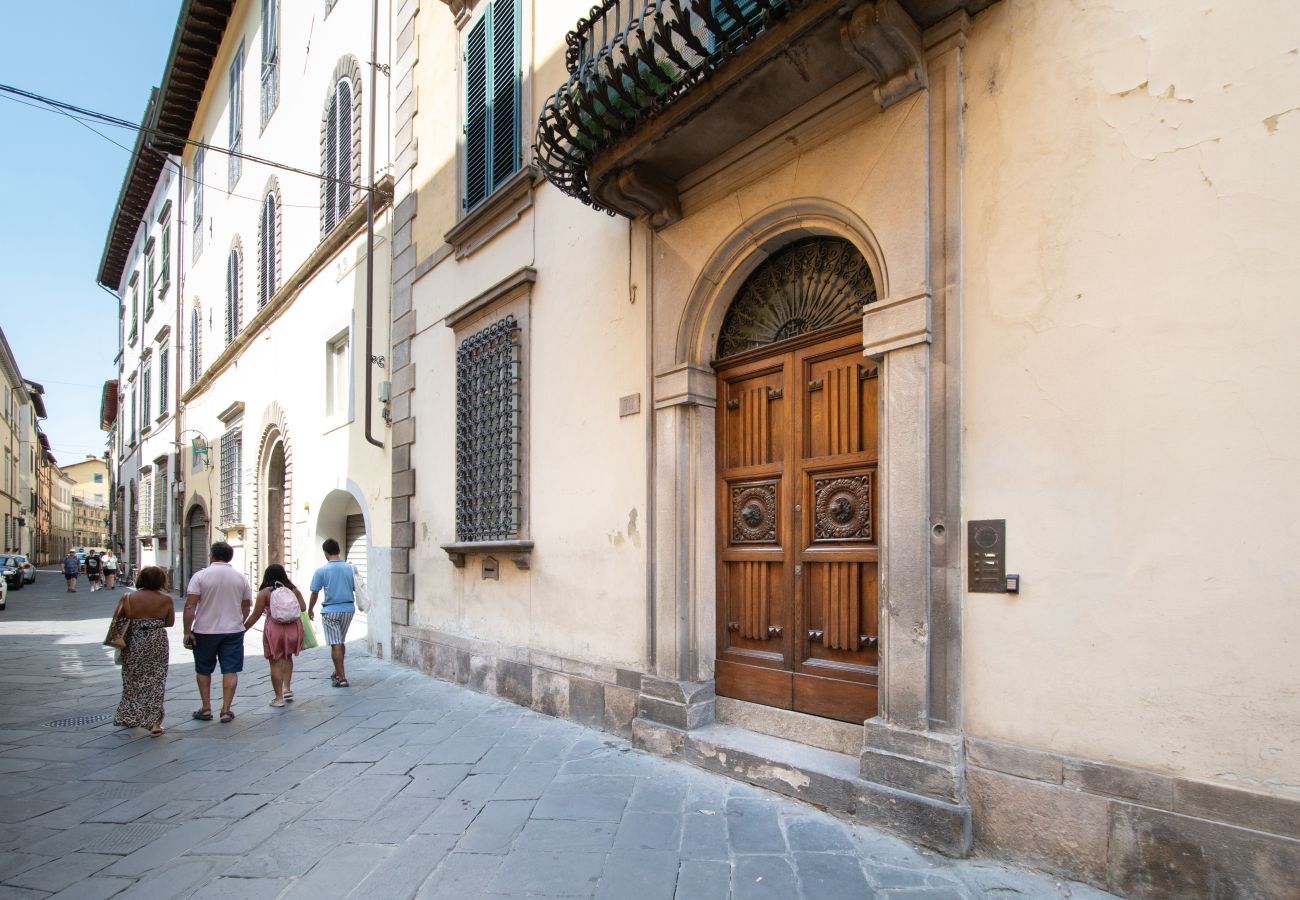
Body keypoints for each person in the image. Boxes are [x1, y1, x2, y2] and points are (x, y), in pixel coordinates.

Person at [183, 541, 252, 723]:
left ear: (212, 555)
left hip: (204, 630)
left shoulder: (200, 576)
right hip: (233, 631)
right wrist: (240, 622)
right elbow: (246, 606)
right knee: (230, 669)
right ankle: (226, 710)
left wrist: (186, 631)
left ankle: (206, 708)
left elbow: (190, 606)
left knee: (203, 669)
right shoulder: (240, 578)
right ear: (230, 557)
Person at [111, 565, 175, 736]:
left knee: (132, 680)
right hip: (157, 641)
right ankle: (154, 724)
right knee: (156, 682)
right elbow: (170, 622)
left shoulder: (128, 597)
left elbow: (118, 621)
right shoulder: (166, 599)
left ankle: (132, 717)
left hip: (134, 641)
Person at [244, 564, 306, 707]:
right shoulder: (293, 590)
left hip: (275, 628)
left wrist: (242, 630)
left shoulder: (265, 593)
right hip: (293, 628)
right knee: (288, 657)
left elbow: (255, 615)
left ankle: (278, 698)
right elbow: (303, 608)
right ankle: (287, 689)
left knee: (275, 661)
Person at [309, 538, 358, 688]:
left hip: (331, 611)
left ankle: (341, 678)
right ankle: (337, 671)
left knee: (335, 643)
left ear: (325, 553)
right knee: (340, 641)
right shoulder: (351, 568)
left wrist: (310, 609)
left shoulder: (321, 571)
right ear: (339, 550)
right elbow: (357, 587)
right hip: (348, 610)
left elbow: (315, 593)